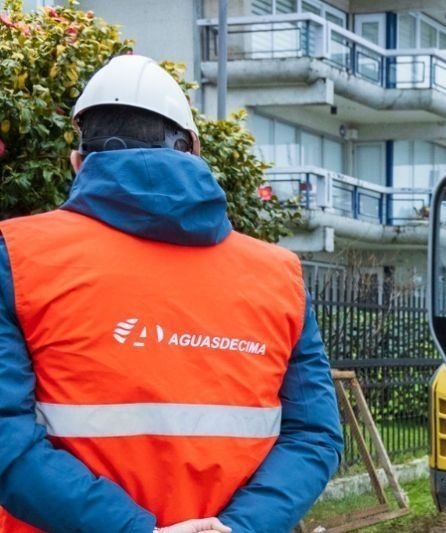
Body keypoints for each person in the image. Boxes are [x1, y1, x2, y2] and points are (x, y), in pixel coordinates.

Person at [0, 55, 343, 532]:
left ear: (78, 161)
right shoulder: (279, 275)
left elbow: (6, 438)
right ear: (194, 151)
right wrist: (241, 527)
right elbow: (314, 435)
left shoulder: (16, 256)